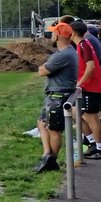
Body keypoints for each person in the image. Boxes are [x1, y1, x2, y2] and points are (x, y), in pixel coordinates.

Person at [35, 23, 78, 173]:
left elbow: (42, 71)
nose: (51, 35)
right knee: (41, 123)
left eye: (53, 32)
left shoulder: (63, 55)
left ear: (58, 35)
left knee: (54, 130)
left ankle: (51, 161)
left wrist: (43, 67)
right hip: (55, 95)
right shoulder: (68, 52)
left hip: (58, 96)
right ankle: (47, 156)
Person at [71, 22, 101, 159]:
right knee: (76, 113)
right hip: (89, 86)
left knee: (92, 117)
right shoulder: (82, 44)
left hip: (91, 87)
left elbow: (91, 66)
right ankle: (92, 143)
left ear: (73, 33)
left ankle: (100, 149)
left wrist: (80, 83)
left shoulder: (83, 45)